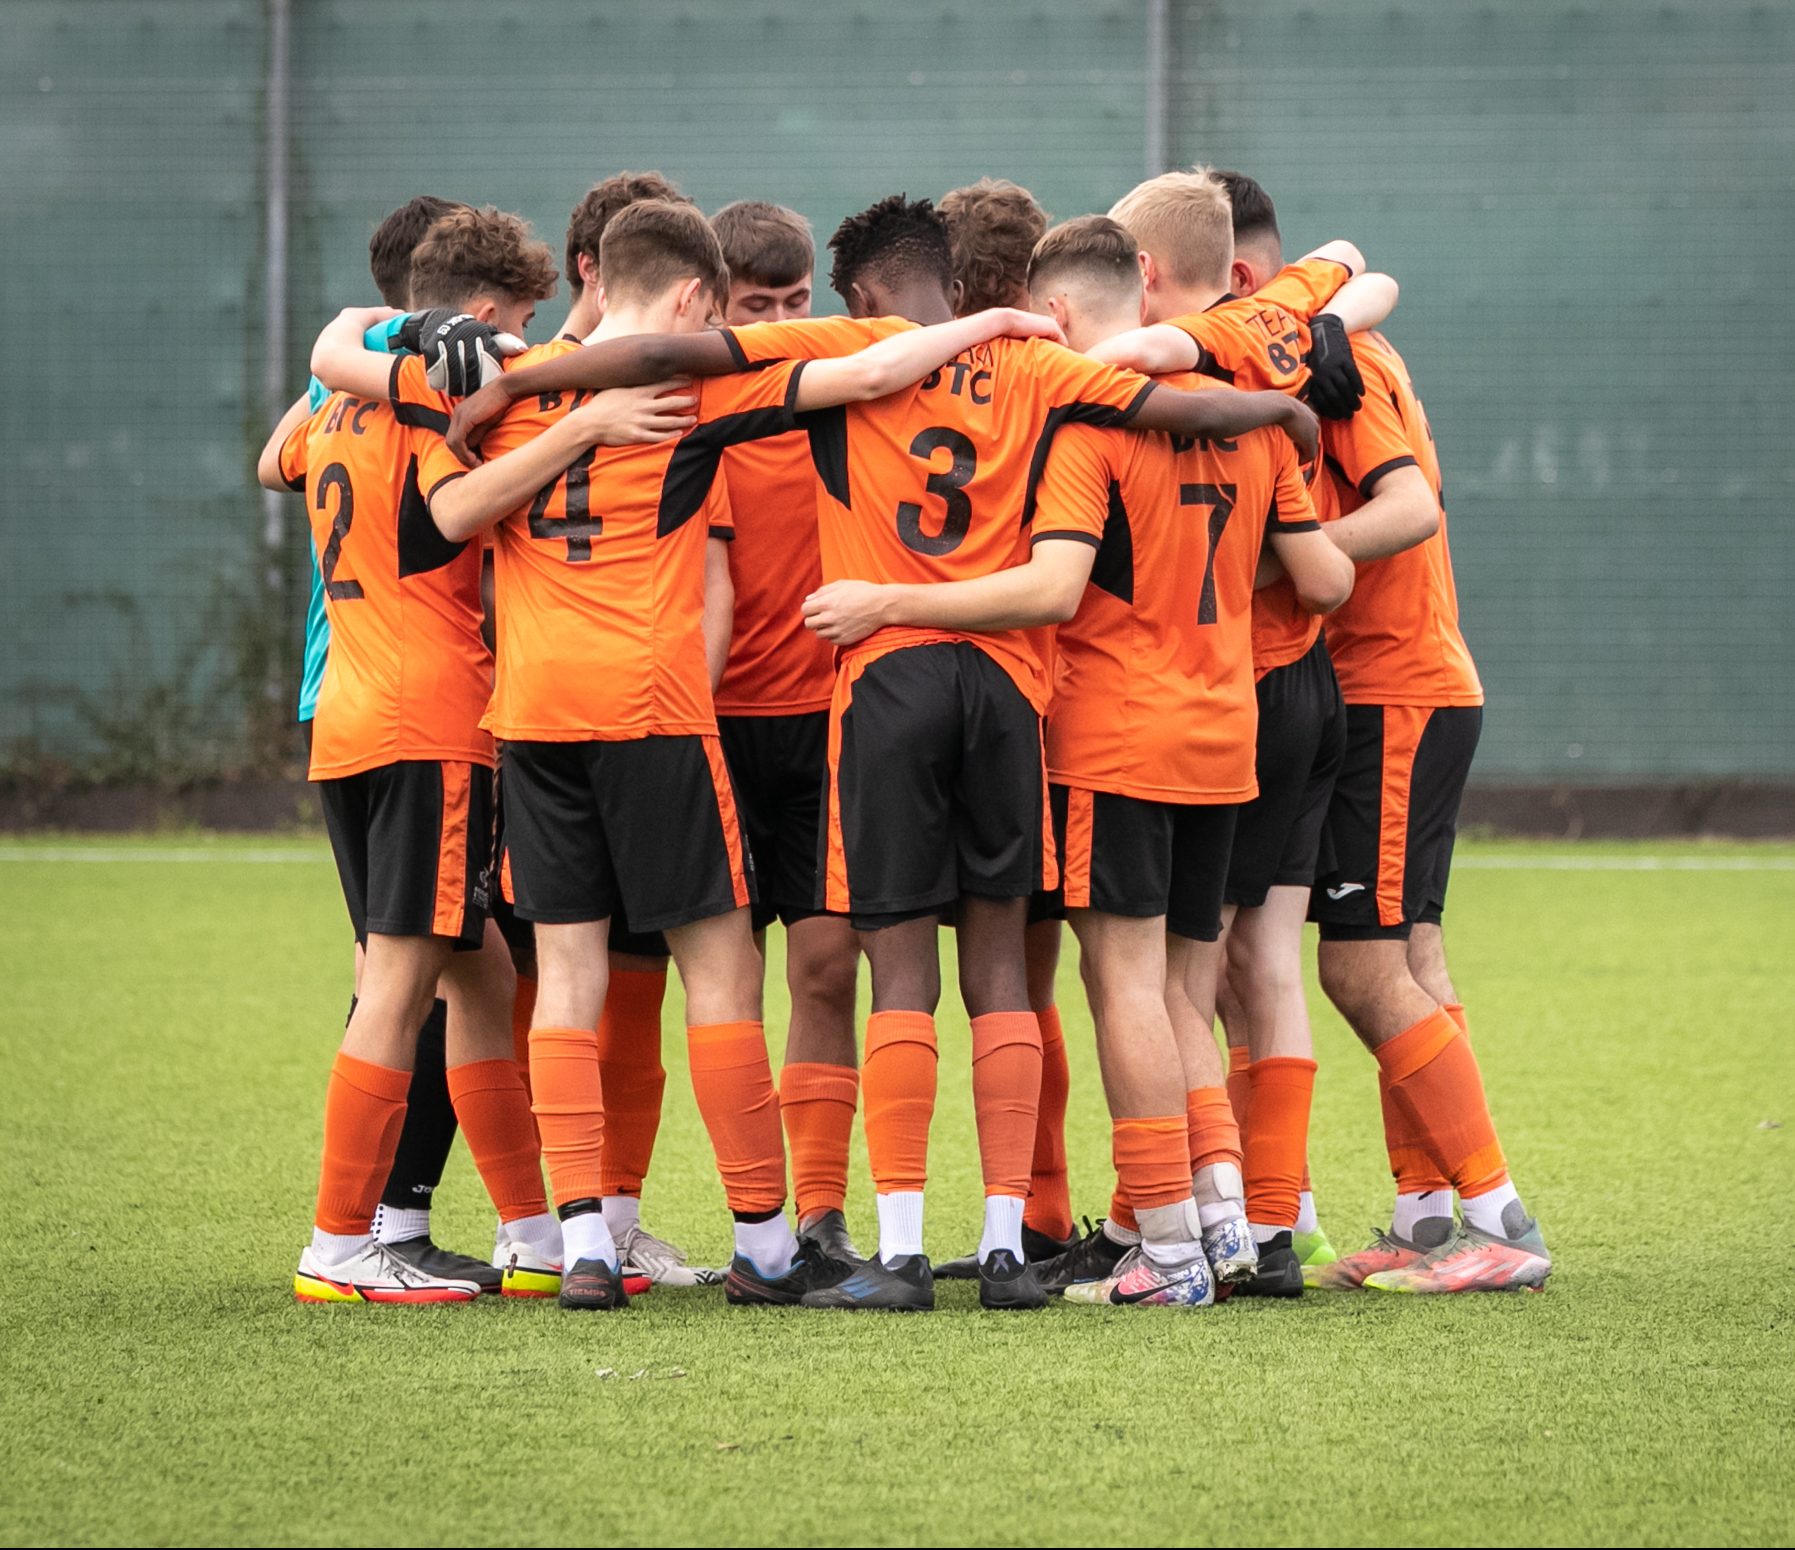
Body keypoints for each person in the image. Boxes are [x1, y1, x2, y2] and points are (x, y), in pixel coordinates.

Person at [448, 192, 1317, 1311]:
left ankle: (872, 1241)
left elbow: (673, 350)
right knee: (1004, 968)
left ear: (851, 296)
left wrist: (519, 384)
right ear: (954, 287)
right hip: (1004, 683)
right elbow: (1165, 407)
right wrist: (1276, 416)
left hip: (866, 682)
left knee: (875, 969)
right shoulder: (1035, 365)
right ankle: (1010, 1238)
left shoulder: (844, 350)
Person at [322, 198, 1077, 1309]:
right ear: (690, 298)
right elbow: (872, 372)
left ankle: (580, 1245)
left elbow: (434, 523)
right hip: (656, 710)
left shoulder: (501, 377)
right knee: (723, 969)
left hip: (530, 719)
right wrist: (990, 327)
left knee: (567, 978)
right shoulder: (695, 389)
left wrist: (557, 425)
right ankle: (768, 1245)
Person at [805, 214, 1355, 1306]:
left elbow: (1053, 589)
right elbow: (1326, 580)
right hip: (1226, 734)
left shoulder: (1081, 428)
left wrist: (890, 601)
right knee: (1187, 991)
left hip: (1118, 734)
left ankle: (1163, 1246)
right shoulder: (1238, 424)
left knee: (1123, 989)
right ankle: (1232, 1224)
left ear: (1051, 312)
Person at [256, 205, 581, 1303]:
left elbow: (275, 461)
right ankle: (343, 1244)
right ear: (482, 315)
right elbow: (458, 498)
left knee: (478, 971)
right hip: (428, 716)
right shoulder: (449, 389)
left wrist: (361, 340)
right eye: (523, 319)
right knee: (399, 980)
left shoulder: (342, 391)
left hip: (346, 708)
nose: (528, 339)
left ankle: (531, 1234)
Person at [1093, 167, 1397, 1292]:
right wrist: (1302, 342)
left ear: (1141, 271)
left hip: (1186, 701)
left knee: (1168, 978)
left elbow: (1151, 360)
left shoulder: (1147, 382)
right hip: (1285, 695)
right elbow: (1368, 263)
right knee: (1255, 963)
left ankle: (1200, 1222)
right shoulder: (1278, 335)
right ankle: (1270, 1219)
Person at [710, 200, 865, 1264]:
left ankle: (819, 1213)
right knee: (710, 981)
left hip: (824, 726)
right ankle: (715, 1223)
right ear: (711, 303)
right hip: (707, 725)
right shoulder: (683, 399)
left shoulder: (845, 392)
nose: (774, 320)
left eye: (791, 301)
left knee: (822, 969)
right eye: (752, 305)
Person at [932, 176, 1078, 1275]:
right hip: (1038, 699)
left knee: (859, 963)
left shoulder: (878, 367)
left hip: (888, 687)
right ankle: (1038, 1220)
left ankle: (829, 1228)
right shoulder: (1063, 374)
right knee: (1030, 976)